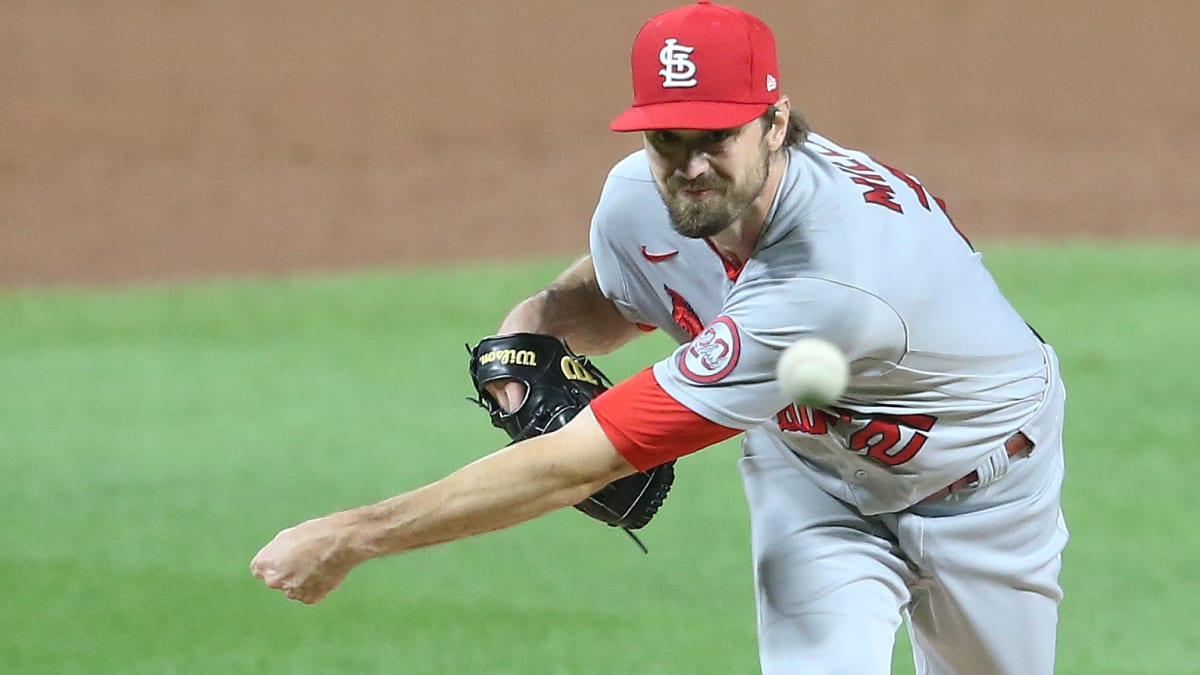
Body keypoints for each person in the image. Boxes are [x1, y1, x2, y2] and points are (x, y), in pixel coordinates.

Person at [251, 1, 1069, 672]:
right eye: (667, 139)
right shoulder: (640, 202)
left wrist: (353, 535)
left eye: (717, 136)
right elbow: (610, 300)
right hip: (816, 482)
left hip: (984, 488)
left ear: (776, 124)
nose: (691, 168)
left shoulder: (832, 280)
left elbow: (582, 460)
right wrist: (523, 338)